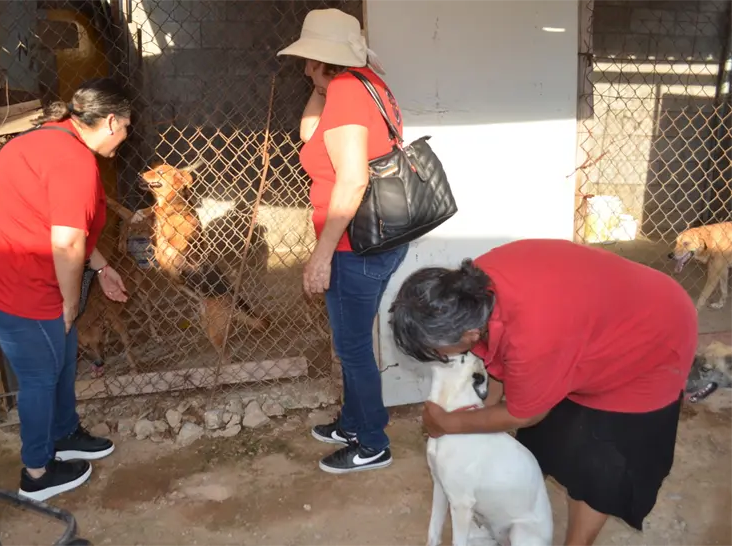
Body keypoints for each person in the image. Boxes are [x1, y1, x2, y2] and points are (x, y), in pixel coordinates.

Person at [388, 239, 698, 546]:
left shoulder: (533, 335)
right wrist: (482, 413)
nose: (438, 357)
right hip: (587, 319)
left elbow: (526, 412)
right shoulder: (470, 289)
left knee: (602, 463)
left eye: (437, 351)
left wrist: (449, 423)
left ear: (467, 332)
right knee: (555, 439)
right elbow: (499, 353)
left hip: (653, 337)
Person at [0, 78, 132, 501]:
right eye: (126, 127)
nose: (125, 136)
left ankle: (64, 431)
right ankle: (37, 472)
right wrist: (70, 302)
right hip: (17, 287)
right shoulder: (74, 161)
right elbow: (66, 241)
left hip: (5, 271)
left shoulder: (41, 140)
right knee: (40, 375)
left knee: (63, 356)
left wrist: (102, 266)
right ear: (109, 121)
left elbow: (47, 218)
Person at [277, 8, 409, 473]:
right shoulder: (359, 84)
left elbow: (351, 182)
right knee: (352, 339)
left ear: (319, 57)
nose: (303, 67)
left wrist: (322, 254)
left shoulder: (350, 96)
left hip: (355, 243)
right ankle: (353, 421)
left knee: (352, 346)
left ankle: (371, 441)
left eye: (309, 59)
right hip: (373, 237)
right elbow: (310, 135)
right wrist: (319, 86)